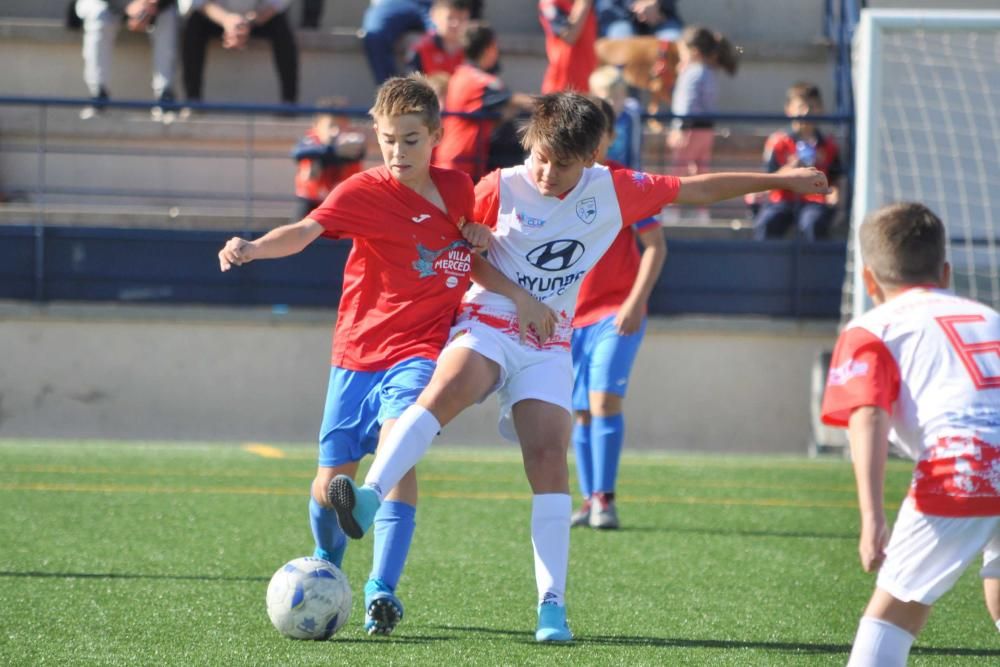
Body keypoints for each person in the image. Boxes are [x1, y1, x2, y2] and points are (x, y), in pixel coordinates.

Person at [325, 92, 828, 642]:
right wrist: (469, 231)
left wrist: (781, 179)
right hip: (488, 319)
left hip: (547, 341)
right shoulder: (500, 185)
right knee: (450, 385)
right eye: (540, 156)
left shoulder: (614, 190)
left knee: (547, 458)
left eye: (561, 163)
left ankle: (551, 607)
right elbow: (436, 224)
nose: (545, 171)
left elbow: (697, 187)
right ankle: (371, 496)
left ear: (590, 157)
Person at [217, 75, 550, 636]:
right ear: (377, 134)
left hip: (419, 351)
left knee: (399, 448)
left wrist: (508, 278)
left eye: (412, 139)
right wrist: (252, 247)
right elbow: (303, 230)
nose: (400, 151)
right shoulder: (361, 193)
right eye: (390, 139)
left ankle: (381, 591)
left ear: (437, 136)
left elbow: (470, 255)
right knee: (328, 484)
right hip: (355, 352)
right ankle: (328, 566)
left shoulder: (459, 189)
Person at [819, 202, 1000, 666]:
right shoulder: (990, 317)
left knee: (893, 613)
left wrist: (872, 516)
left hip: (965, 467)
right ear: (945, 271)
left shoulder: (871, 329)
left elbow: (869, 416)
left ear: (868, 281)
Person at [569, 96, 665, 530]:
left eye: (597, 132)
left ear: (609, 137)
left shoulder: (624, 184)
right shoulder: (553, 183)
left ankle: (605, 499)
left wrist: (633, 302)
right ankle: (589, 501)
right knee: (581, 411)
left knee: (603, 399)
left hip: (615, 312)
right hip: (568, 318)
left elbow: (656, 248)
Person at [435, 22, 534, 182]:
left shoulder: (460, 74)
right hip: (463, 162)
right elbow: (513, 100)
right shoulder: (481, 81)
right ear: (490, 48)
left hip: (453, 158)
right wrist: (547, 104)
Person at [753, 82, 844, 241]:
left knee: (813, 222)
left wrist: (835, 194)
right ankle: (764, 264)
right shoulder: (778, 141)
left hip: (814, 200)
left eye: (812, 106)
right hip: (782, 200)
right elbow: (768, 178)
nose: (807, 111)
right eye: (801, 106)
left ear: (821, 109)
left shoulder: (828, 145)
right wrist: (790, 169)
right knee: (768, 222)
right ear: (789, 109)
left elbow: (834, 179)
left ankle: (814, 265)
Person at [666, 25, 738, 222]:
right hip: (706, 130)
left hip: (689, 129)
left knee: (679, 169)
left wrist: (680, 128)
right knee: (701, 170)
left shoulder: (693, 73)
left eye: (682, 53)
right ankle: (701, 212)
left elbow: (686, 103)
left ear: (694, 52)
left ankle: (673, 210)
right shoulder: (709, 71)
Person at [74, 0, 179, 121]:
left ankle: (165, 97)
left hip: (149, 7)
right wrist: (127, 5)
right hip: (107, 3)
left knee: (168, 15)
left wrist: (153, 6)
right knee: (98, 13)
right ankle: (97, 94)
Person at [178, 0, 299, 105]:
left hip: (254, 19)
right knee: (193, 25)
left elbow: (277, 3)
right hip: (216, 18)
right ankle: (193, 100)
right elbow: (196, 2)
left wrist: (247, 22)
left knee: (281, 27)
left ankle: (289, 102)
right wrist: (226, 20)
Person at [291, 97, 367, 221]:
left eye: (341, 126)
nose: (335, 131)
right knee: (298, 225)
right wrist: (331, 150)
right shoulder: (310, 141)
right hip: (311, 200)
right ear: (317, 126)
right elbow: (298, 153)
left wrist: (333, 153)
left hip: (342, 201)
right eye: (331, 126)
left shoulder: (352, 140)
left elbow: (358, 152)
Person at [588, 65, 642, 169]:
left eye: (617, 97)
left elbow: (634, 152)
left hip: (623, 174)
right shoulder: (590, 118)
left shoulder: (630, 118)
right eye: (607, 98)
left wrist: (634, 176)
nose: (612, 103)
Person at [538, 0, 598, 93]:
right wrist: (583, 4)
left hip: (588, 82)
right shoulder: (550, 3)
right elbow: (569, 36)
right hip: (562, 86)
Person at [406, 0, 472, 77]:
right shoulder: (421, 48)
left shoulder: (473, 48)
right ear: (434, 15)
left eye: (461, 19)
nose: (456, 24)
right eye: (450, 18)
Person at [596, 0, 682, 40]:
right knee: (622, 52)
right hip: (620, 19)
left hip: (660, 17)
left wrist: (656, 3)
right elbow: (606, 5)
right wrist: (634, 4)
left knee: (673, 47)